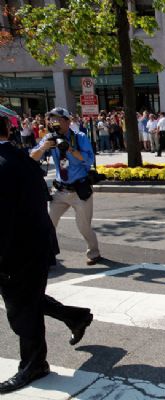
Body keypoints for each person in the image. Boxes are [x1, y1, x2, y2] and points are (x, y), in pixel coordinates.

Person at [0, 116, 94, 394]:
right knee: (27, 299)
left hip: (17, 250)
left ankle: (34, 365)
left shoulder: (10, 162)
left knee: (21, 310)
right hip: (34, 244)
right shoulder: (21, 157)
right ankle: (75, 317)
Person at [30, 107, 102, 266]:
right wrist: (43, 148)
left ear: (68, 121)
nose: (53, 122)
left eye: (57, 118)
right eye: (51, 119)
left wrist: (69, 149)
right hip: (59, 189)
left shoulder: (79, 137)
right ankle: (47, 255)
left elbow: (88, 160)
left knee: (83, 226)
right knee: (48, 223)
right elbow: (32, 157)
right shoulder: (49, 138)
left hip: (79, 191)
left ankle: (94, 252)